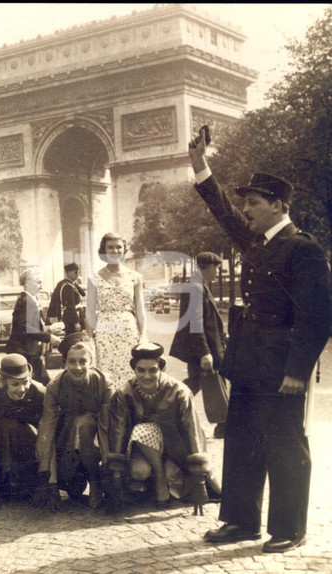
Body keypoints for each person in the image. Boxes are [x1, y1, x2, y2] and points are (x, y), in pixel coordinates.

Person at [189, 129, 332, 553]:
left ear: (279, 206)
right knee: (243, 440)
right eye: (245, 202)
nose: (244, 209)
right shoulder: (257, 239)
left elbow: (318, 316)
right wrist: (201, 165)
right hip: (249, 359)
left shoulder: (302, 248)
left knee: (285, 445)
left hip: (281, 366)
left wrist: (297, 372)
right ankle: (240, 521)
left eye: (253, 202)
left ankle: (289, 528)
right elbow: (221, 212)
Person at [106, 343, 217, 512]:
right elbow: (118, 432)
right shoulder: (124, 393)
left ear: (162, 369)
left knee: (174, 476)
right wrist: (116, 477)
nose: (147, 375)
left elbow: (192, 429)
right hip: (142, 450)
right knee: (139, 471)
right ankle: (157, 479)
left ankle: (162, 481)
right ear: (134, 369)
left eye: (153, 370)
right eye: (141, 370)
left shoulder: (179, 391)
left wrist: (198, 477)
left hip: (175, 449)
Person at [33, 333, 112, 511]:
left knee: (83, 423)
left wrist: (108, 469)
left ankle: (96, 480)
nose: (77, 367)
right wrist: (48, 479)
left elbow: (107, 426)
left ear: (91, 363)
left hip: (98, 440)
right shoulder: (55, 386)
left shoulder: (105, 383)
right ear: (64, 363)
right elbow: (48, 428)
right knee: (71, 486)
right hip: (68, 442)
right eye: (71, 361)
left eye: (83, 361)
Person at [0, 354, 46, 515]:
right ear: (2, 381)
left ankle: (29, 483)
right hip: (3, 450)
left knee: (16, 427)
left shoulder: (40, 393)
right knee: (7, 426)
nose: (21, 389)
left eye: (25, 382)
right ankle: (5, 483)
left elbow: (46, 438)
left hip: (31, 451)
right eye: (15, 384)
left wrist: (46, 479)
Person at [169, 252, 229, 439]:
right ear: (209, 266)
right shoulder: (195, 287)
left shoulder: (198, 285)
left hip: (206, 347)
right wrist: (204, 352)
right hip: (203, 349)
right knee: (199, 383)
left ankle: (222, 425)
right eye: (217, 268)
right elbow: (195, 322)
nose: (218, 272)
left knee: (203, 382)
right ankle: (168, 412)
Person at [86, 232, 147, 391]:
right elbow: (90, 311)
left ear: (124, 250)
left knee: (130, 372)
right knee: (107, 375)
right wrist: (90, 338)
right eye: (110, 247)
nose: (114, 251)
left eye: (118, 247)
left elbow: (140, 308)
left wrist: (144, 335)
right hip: (105, 332)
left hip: (128, 331)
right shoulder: (94, 278)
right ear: (104, 250)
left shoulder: (135, 277)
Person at [5, 267, 61, 384]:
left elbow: (28, 327)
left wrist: (49, 329)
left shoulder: (27, 300)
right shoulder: (27, 301)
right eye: (38, 282)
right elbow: (25, 329)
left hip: (27, 351)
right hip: (25, 352)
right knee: (40, 385)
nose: (41, 286)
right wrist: (49, 337)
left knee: (39, 385)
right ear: (28, 282)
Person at [47, 262, 86, 335]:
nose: (78, 275)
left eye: (79, 272)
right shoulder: (67, 286)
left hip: (72, 315)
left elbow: (83, 294)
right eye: (75, 273)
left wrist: (74, 282)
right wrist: (76, 322)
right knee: (74, 338)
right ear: (68, 273)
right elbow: (70, 306)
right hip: (72, 317)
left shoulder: (69, 283)